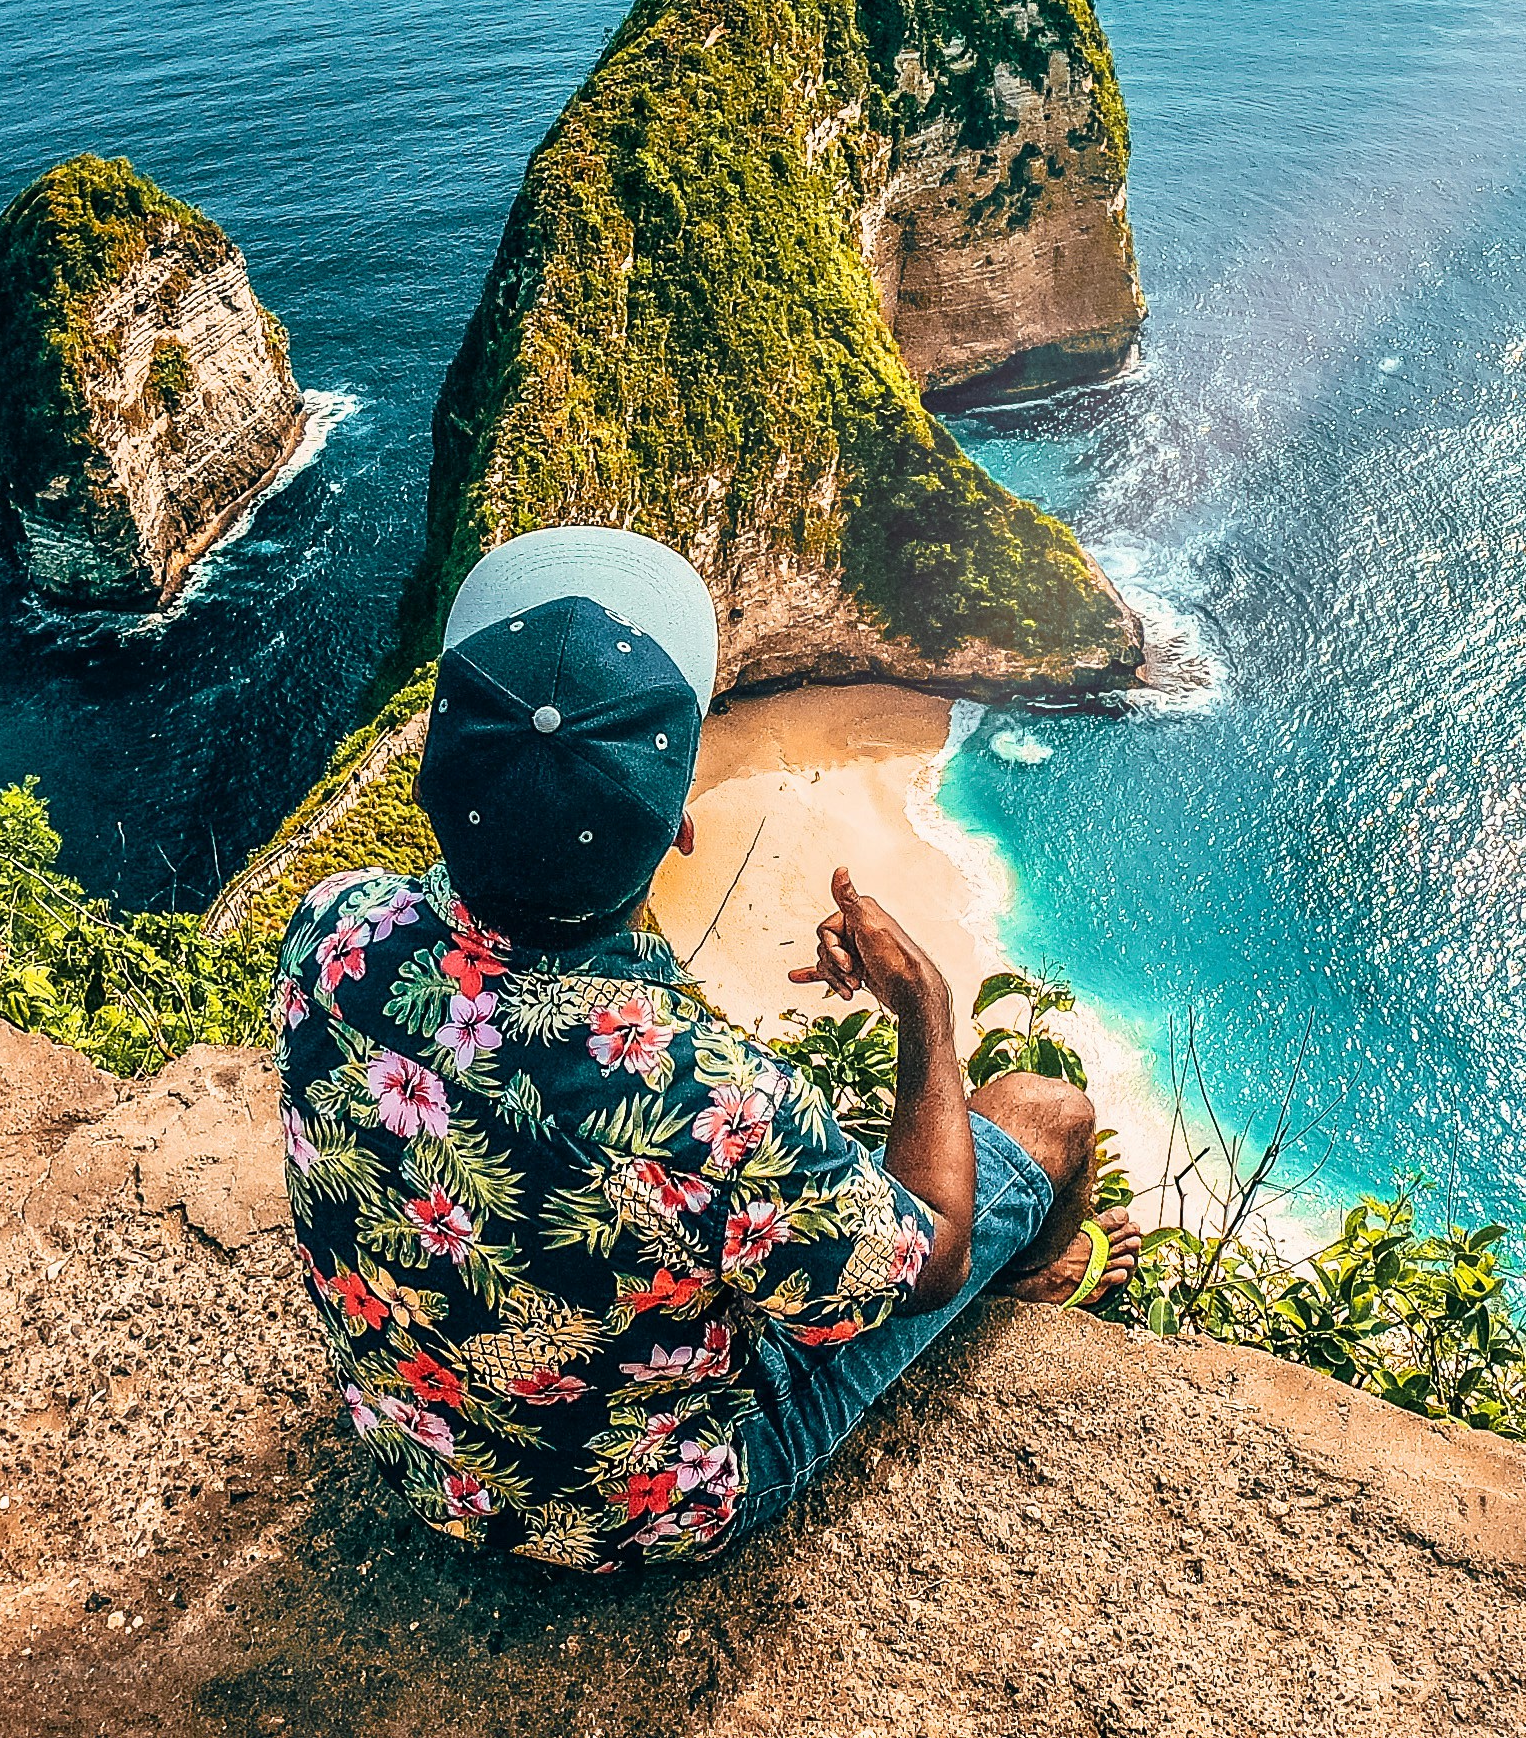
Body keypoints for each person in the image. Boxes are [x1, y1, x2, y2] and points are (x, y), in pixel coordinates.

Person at [269, 523, 1133, 1569]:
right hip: (637, 1522)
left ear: (433, 784)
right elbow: (932, 1254)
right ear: (681, 826)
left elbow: (531, 1009)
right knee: (1045, 1115)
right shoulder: (714, 1102)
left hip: (422, 1456)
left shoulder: (336, 930)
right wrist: (926, 1004)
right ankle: (1036, 1277)